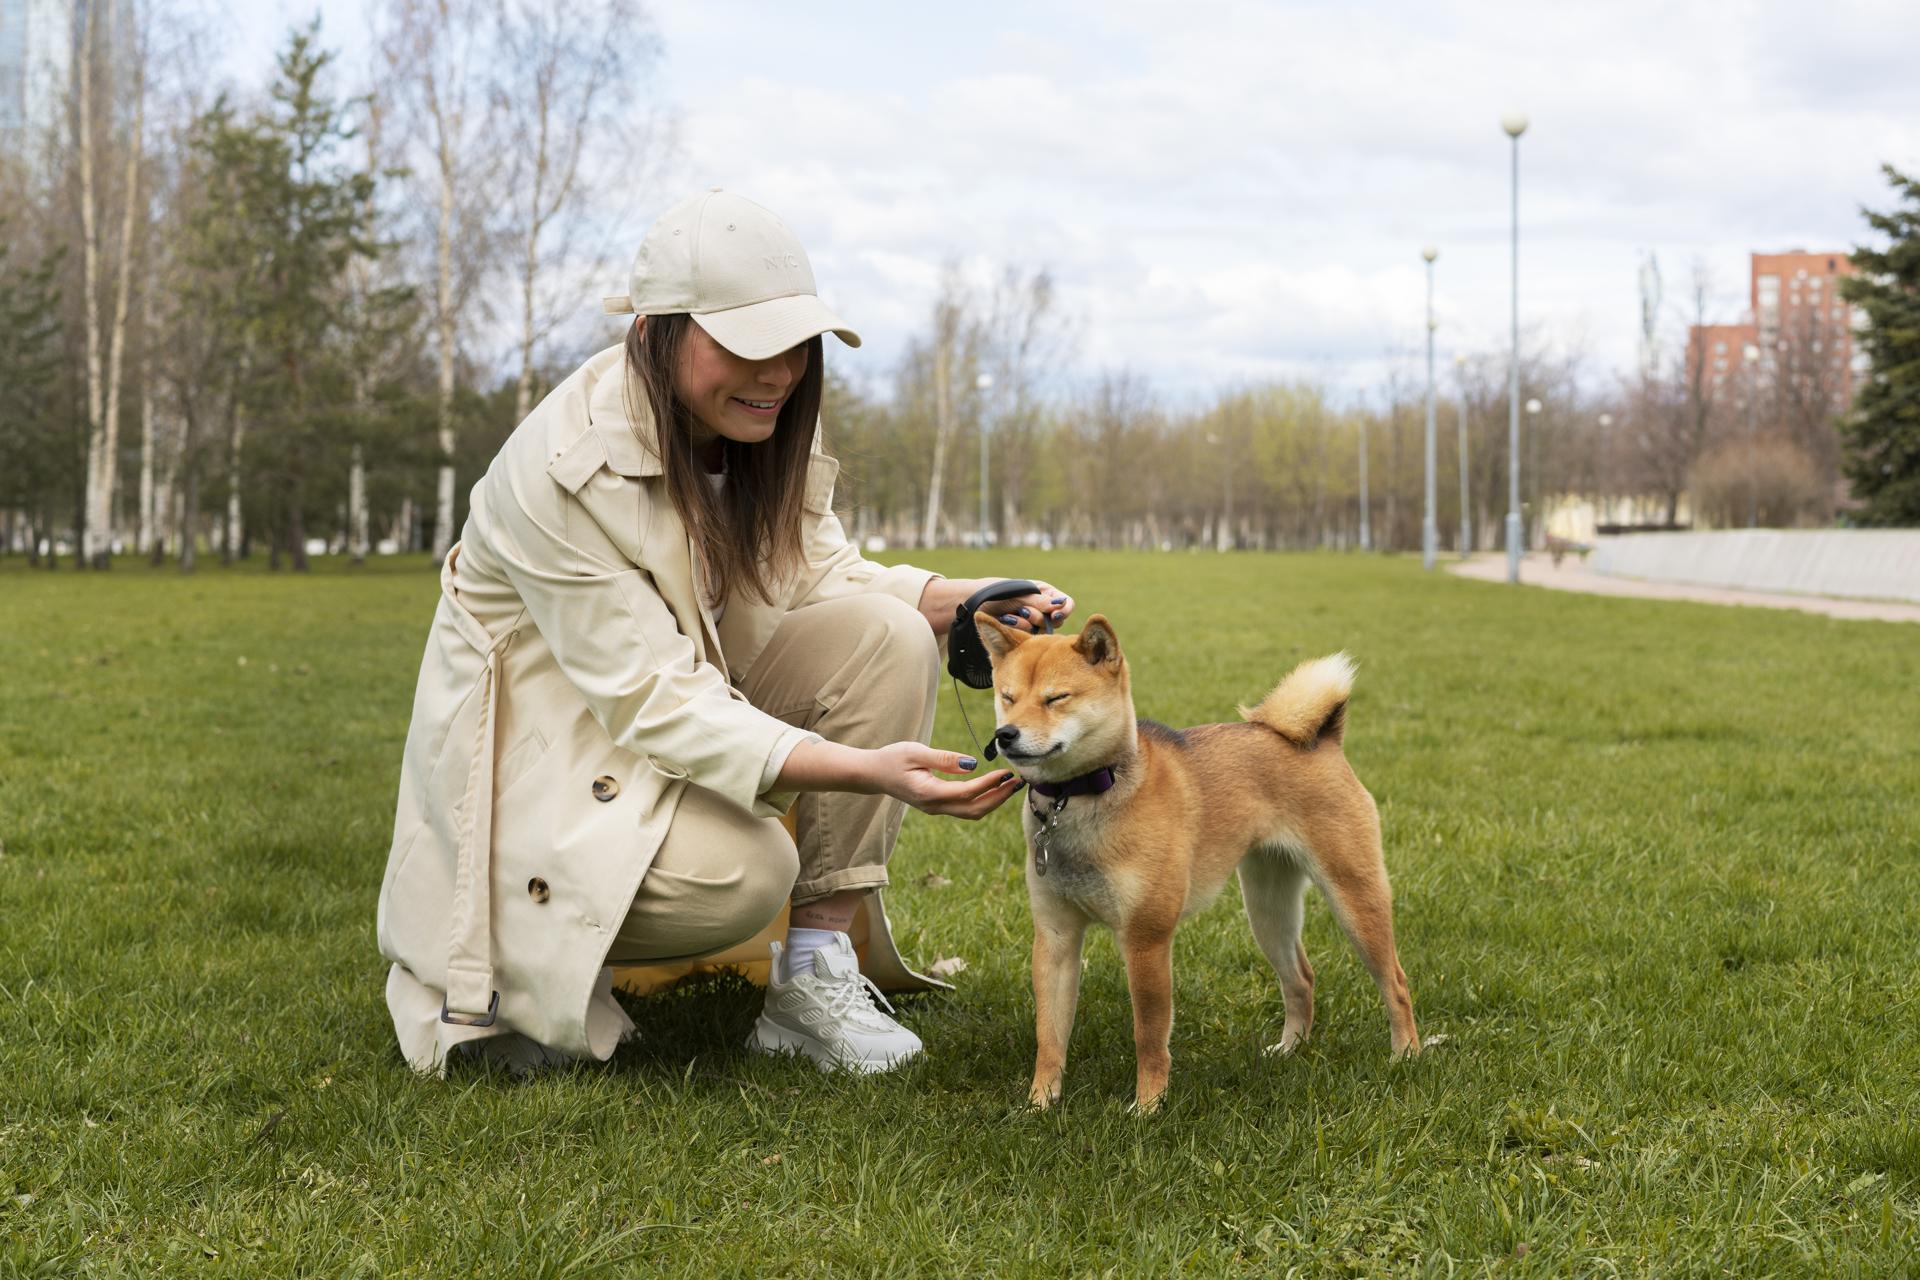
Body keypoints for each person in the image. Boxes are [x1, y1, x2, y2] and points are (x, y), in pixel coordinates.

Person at [375, 187, 1075, 1076]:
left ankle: (813, 982)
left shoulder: (750, 425)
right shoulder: (562, 468)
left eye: (796, 344)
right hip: (546, 772)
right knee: (742, 873)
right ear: (653, 335)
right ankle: (523, 943)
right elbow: (653, 698)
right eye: (749, 344)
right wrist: (863, 771)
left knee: (888, 633)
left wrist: (960, 597)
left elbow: (822, 577)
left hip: (649, 735)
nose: (780, 370)